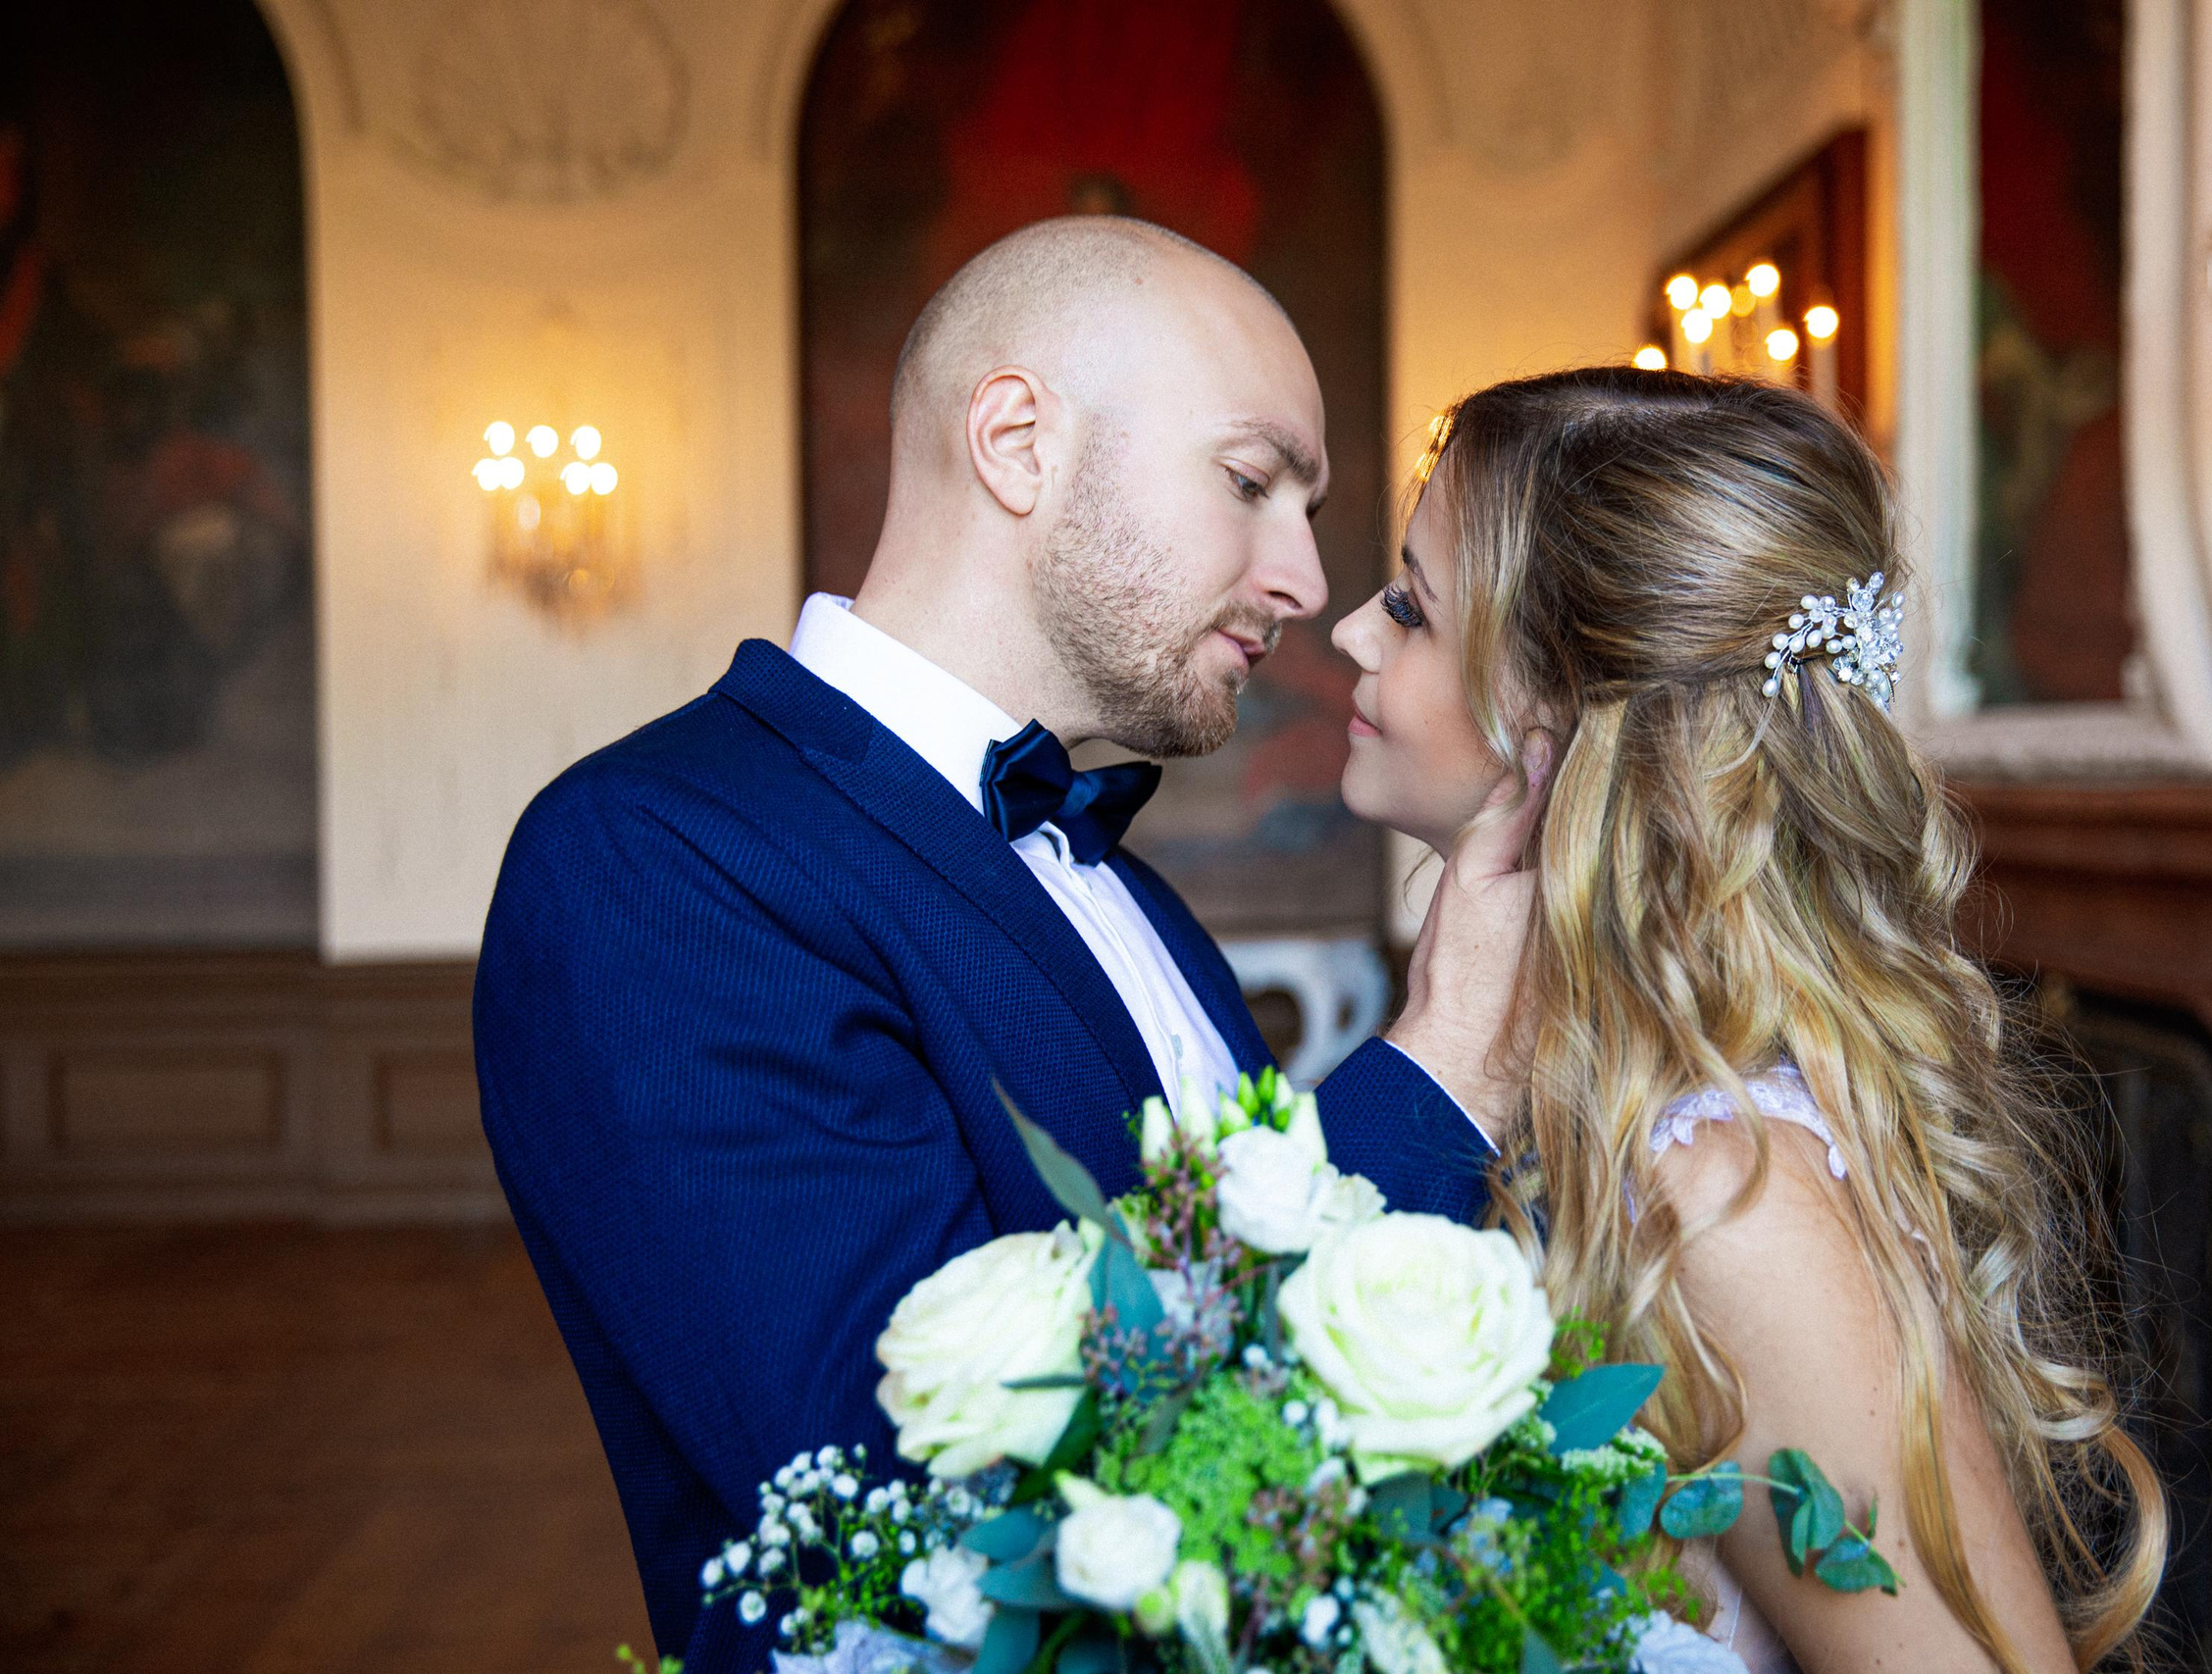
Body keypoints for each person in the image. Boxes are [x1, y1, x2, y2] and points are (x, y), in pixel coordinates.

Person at [472, 217, 1531, 1673]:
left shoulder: (1132, 899)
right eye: (1250, 484)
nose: (1303, 580)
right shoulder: (654, 858)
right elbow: (910, 1519)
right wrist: (1439, 1069)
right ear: (1018, 443)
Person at [1331, 367, 2166, 1674]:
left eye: (1411, 606)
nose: (1349, 634)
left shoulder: (1726, 1191)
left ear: (1562, 721)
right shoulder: (1564, 1087)